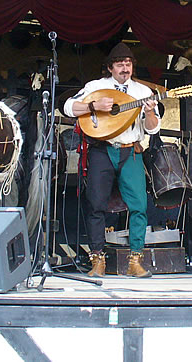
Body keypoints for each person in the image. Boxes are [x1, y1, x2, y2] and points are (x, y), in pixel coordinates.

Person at [64, 42, 160, 278]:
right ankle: (97, 260)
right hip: (102, 150)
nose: (125, 68)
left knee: (139, 205)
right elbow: (67, 107)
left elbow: (153, 129)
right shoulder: (96, 87)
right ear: (110, 67)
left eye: (128, 64)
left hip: (131, 150)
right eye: (119, 64)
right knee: (96, 204)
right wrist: (93, 106)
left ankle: (135, 261)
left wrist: (149, 111)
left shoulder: (143, 92)